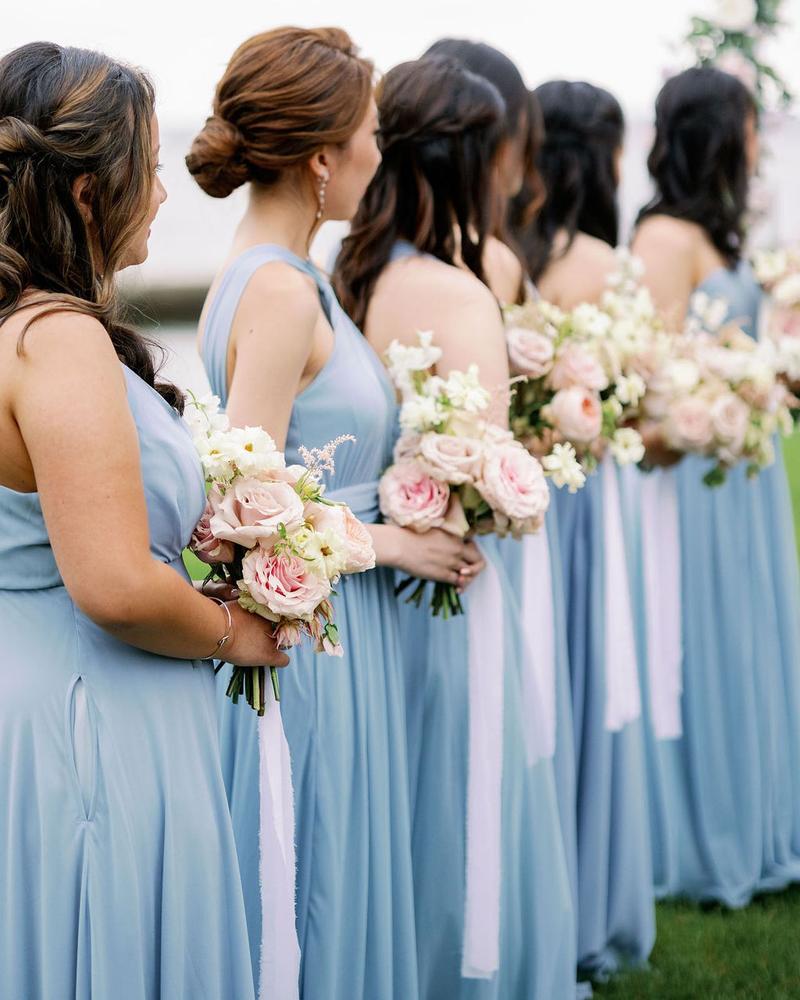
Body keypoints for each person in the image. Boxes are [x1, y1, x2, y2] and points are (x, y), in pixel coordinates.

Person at [188, 27, 483, 1000]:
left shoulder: (284, 276)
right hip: (320, 639)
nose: (377, 154)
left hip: (344, 623)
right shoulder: (276, 291)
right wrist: (398, 536)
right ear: (321, 158)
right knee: (321, 873)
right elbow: (250, 506)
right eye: (365, 134)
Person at [0, 41, 288, 1000]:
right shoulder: (59, 339)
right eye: (148, 166)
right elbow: (116, 585)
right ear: (88, 192)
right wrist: (239, 633)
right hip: (96, 714)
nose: (163, 192)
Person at [335, 55, 576, 1000]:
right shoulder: (459, 290)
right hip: (448, 578)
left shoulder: (349, 269)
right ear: (471, 162)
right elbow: (489, 474)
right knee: (462, 795)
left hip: (367, 586)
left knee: (400, 794)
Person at [422, 38, 580, 984]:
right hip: (472, 539)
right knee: (488, 750)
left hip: (433, 528)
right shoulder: (490, 265)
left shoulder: (361, 267)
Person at [632, 66, 800, 906]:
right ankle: (702, 835)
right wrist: (735, 391)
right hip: (692, 479)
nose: (758, 143)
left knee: (757, 634)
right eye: (748, 126)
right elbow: (651, 386)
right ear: (714, 135)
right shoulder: (662, 238)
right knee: (705, 642)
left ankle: (765, 810)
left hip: (741, 476)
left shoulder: (728, 237)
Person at [511, 79, 656, 981]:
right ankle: (587, 903)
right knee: (585, 684)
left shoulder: (504, 253)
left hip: (512, 498)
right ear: (601, 157)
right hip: (584, 505)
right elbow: (637, 404)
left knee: (532, 698)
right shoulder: (604, 262)